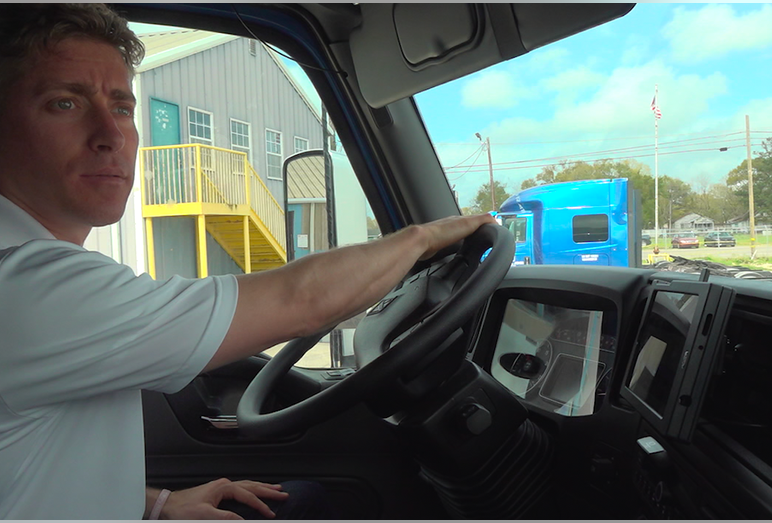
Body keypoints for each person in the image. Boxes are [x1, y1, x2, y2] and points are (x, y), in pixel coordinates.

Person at [0, 4, 496, 519]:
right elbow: (300, 300)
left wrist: (160, 505)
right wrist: (422, 239)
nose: (112, 134)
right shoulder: (26, 287)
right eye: (65, 103)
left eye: (123, 107)